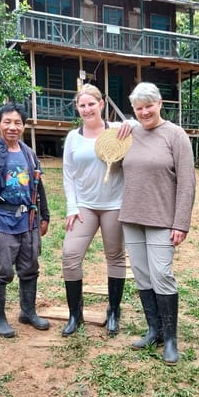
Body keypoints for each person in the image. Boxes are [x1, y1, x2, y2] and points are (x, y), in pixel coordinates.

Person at [119, 82, 196, 365]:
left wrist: (181, 223)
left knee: (162, 273)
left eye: (149, 106)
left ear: (160, 103)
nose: (144, 112)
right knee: (142, 274)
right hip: (131, 216)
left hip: (163, 218)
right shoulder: (129, 133)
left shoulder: (175, 135)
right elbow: (107, 152)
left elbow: (187, 182)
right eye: (138, 108)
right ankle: (154, 330)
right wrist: (123, 125)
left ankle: (171, 339)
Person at [62, 84, 131, 337]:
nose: (87, 109)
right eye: (82, 105)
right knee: (70, 255)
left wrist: (131, 125)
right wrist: (71, 206)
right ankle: (75, 314)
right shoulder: (73, 137)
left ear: (101, 104)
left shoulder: (117, 131)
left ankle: (113, 311)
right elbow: (68, 174)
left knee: (115, 256)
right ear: (77, 109)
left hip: (114, 204)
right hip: (84, 207)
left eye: (91, 103)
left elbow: (140, 128)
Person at [0, 102, 50, 338]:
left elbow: (38, 187)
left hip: (28, 219)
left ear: (24, 125)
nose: (13, 127)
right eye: (7, 122)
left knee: (30, 267)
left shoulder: (29, 154)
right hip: (2, 220)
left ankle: (27, 312)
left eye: (17, 122)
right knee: (2, 271)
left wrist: (45, 216)